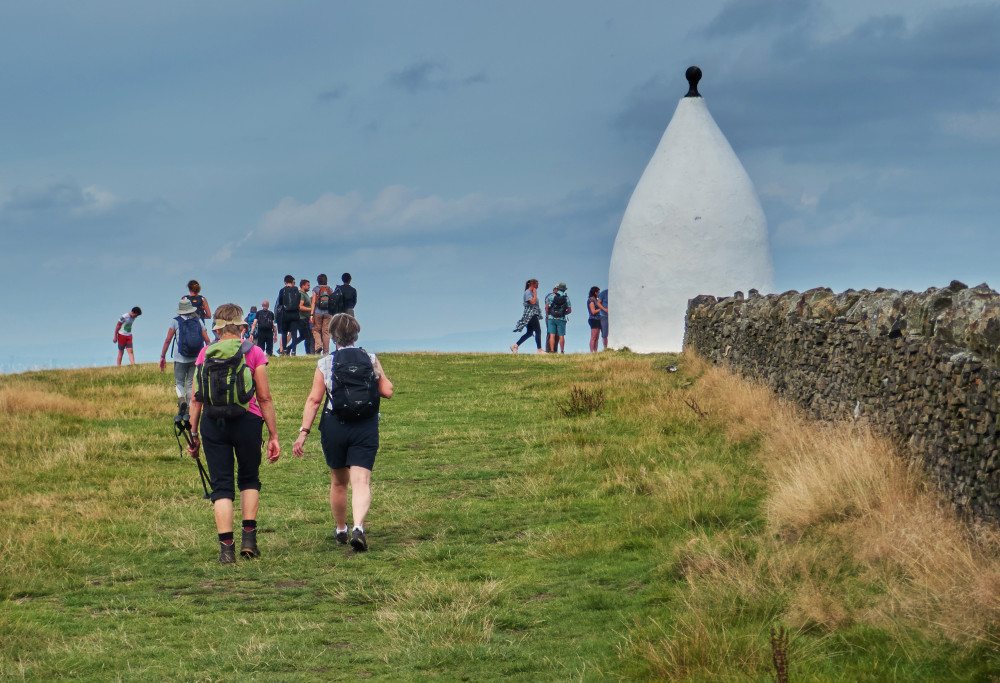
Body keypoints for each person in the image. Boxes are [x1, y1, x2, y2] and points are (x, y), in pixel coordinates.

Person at [186, 304, 280, 564]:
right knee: (249, 478)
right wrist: (273, 435)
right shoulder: (254, 352)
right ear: (241, 327)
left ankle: (226, 550)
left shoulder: (205, 353)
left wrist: (193, 434)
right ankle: (249, 540)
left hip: (212, 423)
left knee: (221, 487)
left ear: (216, 329)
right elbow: (264, 396)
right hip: (248, 421)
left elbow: (196, 399)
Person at [292, 314, 393, 552]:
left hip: (334, 425)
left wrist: (303, 433)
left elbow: (314, 400)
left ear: (332, 336)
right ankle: (359, 527)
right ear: (356, 334)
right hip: (366, 425)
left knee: (338, 483)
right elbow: (387, 391)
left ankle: (341, 529)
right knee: (361, 482)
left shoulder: (325, 363)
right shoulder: (370, 358)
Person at [159, 298, 211, 411]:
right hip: (196, 357)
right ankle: (188, 407)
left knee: (179, 382)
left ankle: (181, 399)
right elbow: (207, 340)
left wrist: (162, 356)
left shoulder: (175, 321)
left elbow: (168, 340)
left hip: (180, 357)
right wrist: (208, 356)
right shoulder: (198, 321)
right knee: (190, 383)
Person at [510, 279, 543, 354]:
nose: (538, 286)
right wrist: (535, 294)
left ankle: (515, 346)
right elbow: (532, 302)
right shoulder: (528, 292)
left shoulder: (529, 292)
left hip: (531, 314)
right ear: (533, 284)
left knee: (529, 333)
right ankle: (539, 350)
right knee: (538, 331)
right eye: (537, 284)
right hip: (531, 314)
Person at [545, 283, 572, 354]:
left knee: (552, 335)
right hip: (561, 319)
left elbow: (546, 307)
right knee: (561, 335)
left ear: (558, 288)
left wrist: (548, 315)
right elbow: (569, 310)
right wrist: (563, 313)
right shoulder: (566, 297)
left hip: (551, 318)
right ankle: (562, 351)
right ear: (564, 289)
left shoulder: (551, 296)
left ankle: (551, 350)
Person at [277, 275, 300, 356]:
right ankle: (293, 351)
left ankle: (284, 350)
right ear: (292, 281)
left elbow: (280, 302)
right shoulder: (296, 289)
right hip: (294, 314)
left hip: (285, 314)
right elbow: (298, 300)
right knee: (294, 334)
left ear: (285, 282)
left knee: (284, 333)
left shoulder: (282, 290)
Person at [312, 274, 335, 355]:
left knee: (316, 330)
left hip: (318, 312)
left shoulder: (316, 289)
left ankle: (318, 346)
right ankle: (326, 352)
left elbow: (314, 302)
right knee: (326, 332)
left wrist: (311, 314)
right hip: (328, 313)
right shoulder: (330, 290)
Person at [587, 286, 607, 353]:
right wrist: (601, 309)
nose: (599, 293)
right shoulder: (591, 300)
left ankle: (595, 352)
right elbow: (593, 311)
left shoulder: (596, 300)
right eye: (598, 292)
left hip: (598, 319)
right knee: (593, 337)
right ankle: (591, 351)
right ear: (595, 292)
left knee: (597, 337)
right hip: (594, 319)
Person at [298, 279, 314, 355]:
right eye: (308, 285)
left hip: (306, 318)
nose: (309, 287)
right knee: (306, 336)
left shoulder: (305, 294)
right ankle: (308, 353)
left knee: (305, 336)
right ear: (303, 285)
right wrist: (311, 309)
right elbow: (300, 307)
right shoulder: (301, 294)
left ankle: (289, 348)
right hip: (302, 318)